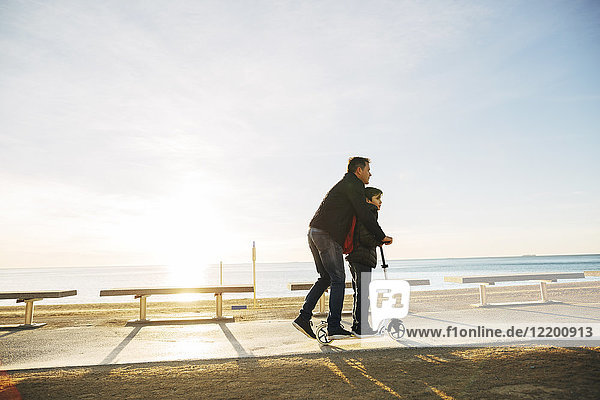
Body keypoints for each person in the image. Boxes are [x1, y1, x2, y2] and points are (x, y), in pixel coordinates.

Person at [293, 157, 393, 339]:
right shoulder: (353, 185)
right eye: (368, 169)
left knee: (326, 278)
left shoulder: (344, 185)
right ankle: (334, 327)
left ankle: (303, 316)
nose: (370, 173)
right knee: (338, 278)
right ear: (358, 170)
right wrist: (381, 236)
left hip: (314, 231)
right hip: (326, 234)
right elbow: (364, 213)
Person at [346, 186, 383, 337]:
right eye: (377, 199)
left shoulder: (361, 213)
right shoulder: (370, 212)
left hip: (355, 257)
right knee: (363, 293)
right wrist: (379, 240)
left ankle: (358, 325)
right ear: (368, 200)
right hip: (363, 258)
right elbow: (365, 237)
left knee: (359, 293)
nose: (380, 202)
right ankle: (362, 328)